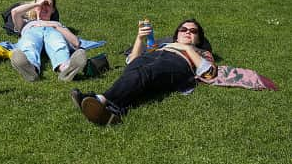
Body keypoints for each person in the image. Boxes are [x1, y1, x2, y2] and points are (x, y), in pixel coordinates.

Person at [71, 18, 216, 125]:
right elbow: (131, 62)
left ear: (198, 39)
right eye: (183, 29)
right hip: (153, 55)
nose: (187, 32)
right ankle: (112, 112)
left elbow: (209, 72)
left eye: (193, 31)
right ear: (177, 35)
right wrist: (140, 38)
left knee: (146, 72)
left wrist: (188, 48)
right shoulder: (162, 45)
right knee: (137, 69)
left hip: (178, 63)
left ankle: (101, 100)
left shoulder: (200, 51)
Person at [9, 0, 86, 82]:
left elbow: (76, 43)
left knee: (58, 43)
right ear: (34, 7)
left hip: (52, 32)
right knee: (29, 43)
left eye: (48, 4)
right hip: (32, 32)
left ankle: (66, 68)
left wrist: (55, 26)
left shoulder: (57, 24)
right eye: (41, 4)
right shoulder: (26, 23)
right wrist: (37, 4)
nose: (43, 6)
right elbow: (14, 12)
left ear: (53, 10)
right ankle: (30, 68)